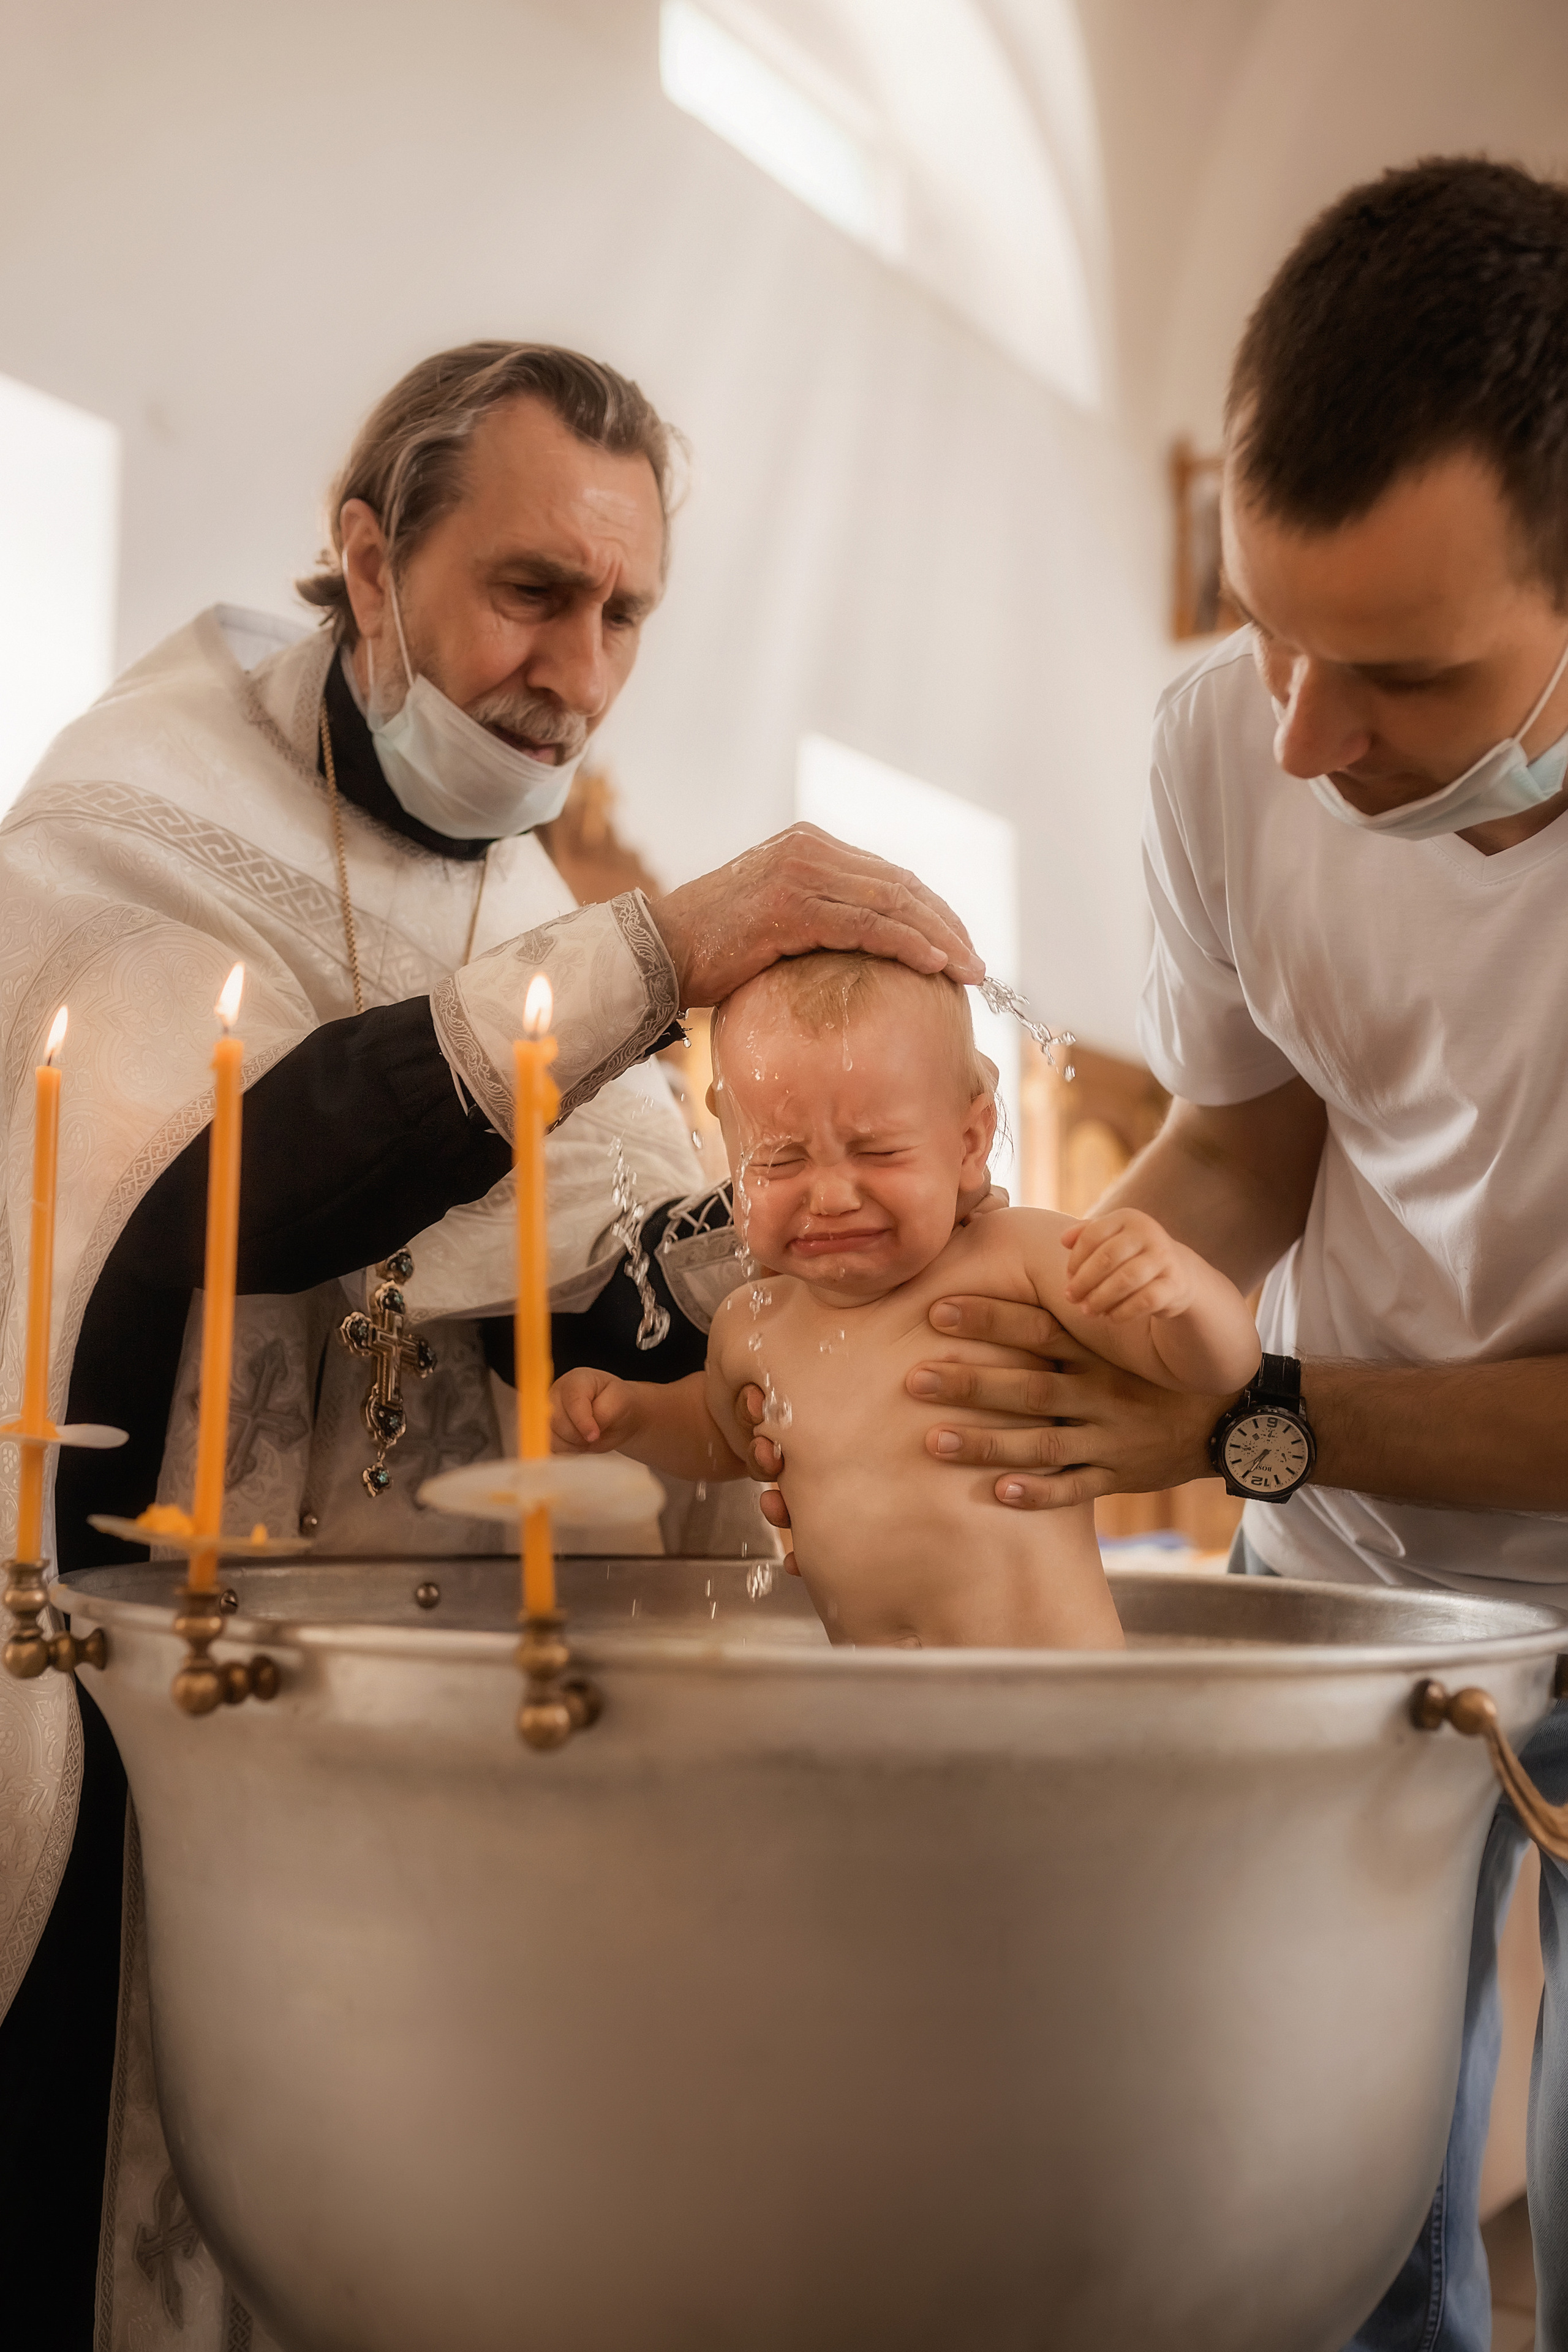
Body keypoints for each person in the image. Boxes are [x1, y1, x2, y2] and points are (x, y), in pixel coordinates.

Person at [0, 340, 981, 2348]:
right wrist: (661, 951)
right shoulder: (132, 818)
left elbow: (594, 1312)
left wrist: (844, 1236)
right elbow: (222, 1190)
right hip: (132, 1714)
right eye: (534, 591)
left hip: (426, 1742)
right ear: (368, 561)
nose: (582, 670)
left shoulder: (522, 897)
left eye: (625, 614)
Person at [766, 160, 1566, 2348]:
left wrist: (1256, 1424)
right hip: (1353, 1592)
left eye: (1388, 671)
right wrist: (965, 1334)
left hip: (1373, 1485)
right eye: (1263, 624)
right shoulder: (1226, 737)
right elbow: (1242, 1135)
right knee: (1325, 2216)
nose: (1297, 736)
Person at [551, 952, 1259, 1649]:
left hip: (1050, 1698)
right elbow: (723, 1437)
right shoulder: (751, 1322)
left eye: (877, 1153)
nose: (828, 1196)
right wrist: (635, 1415)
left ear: (970, 1142)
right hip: (873, 1704)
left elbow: (1218, 1368)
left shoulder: (1017, 1259)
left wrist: (1185, 1294)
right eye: (777, 1160)